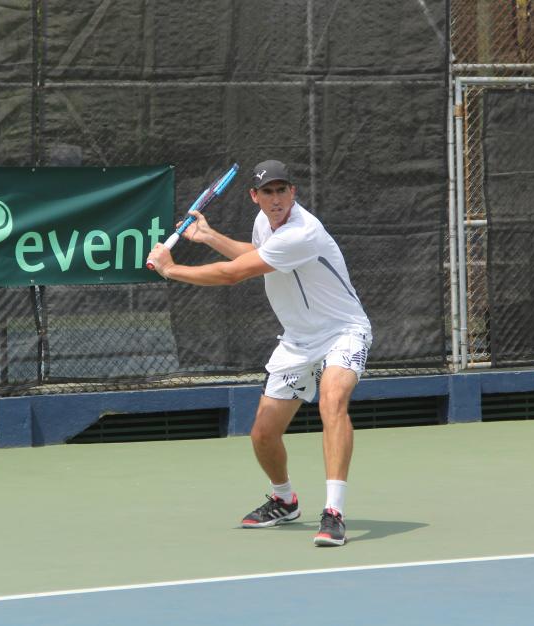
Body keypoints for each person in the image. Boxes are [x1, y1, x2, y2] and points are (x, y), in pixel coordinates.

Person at [146, 160, 372, 547]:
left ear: (293, 192)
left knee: (332, 401)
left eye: (282, 189)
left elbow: (234, 273)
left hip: (343, 332)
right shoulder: (265, 224)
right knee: (263, 433)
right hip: (297, 340)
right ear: (255, 197)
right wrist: (211, 237)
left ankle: (333, 512)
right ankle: (284, 500)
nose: (276, 198)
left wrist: (172, 270)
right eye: (267, 192)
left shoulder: (304, 231)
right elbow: (259, 255)